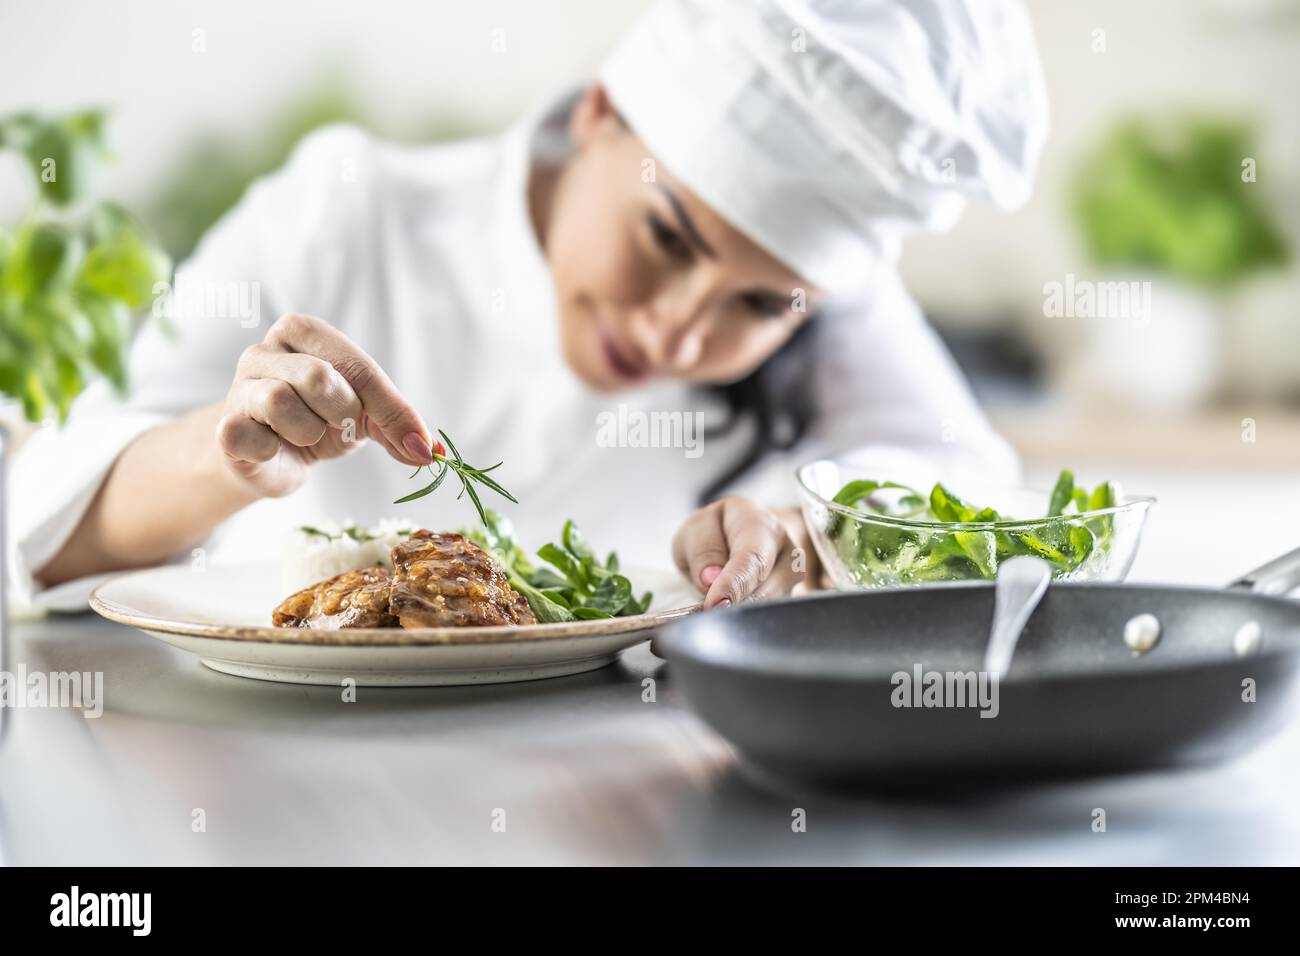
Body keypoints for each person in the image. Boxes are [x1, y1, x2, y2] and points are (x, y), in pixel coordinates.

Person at [10, 0, 1047, 612]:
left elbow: (968, 483)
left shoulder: (833, 313)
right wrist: (224, 456)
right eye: (666, 237)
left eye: (760, 303)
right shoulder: (350, 209)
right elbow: (52, 526)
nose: (678, 331)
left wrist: (804, 512)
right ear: (598, 112)